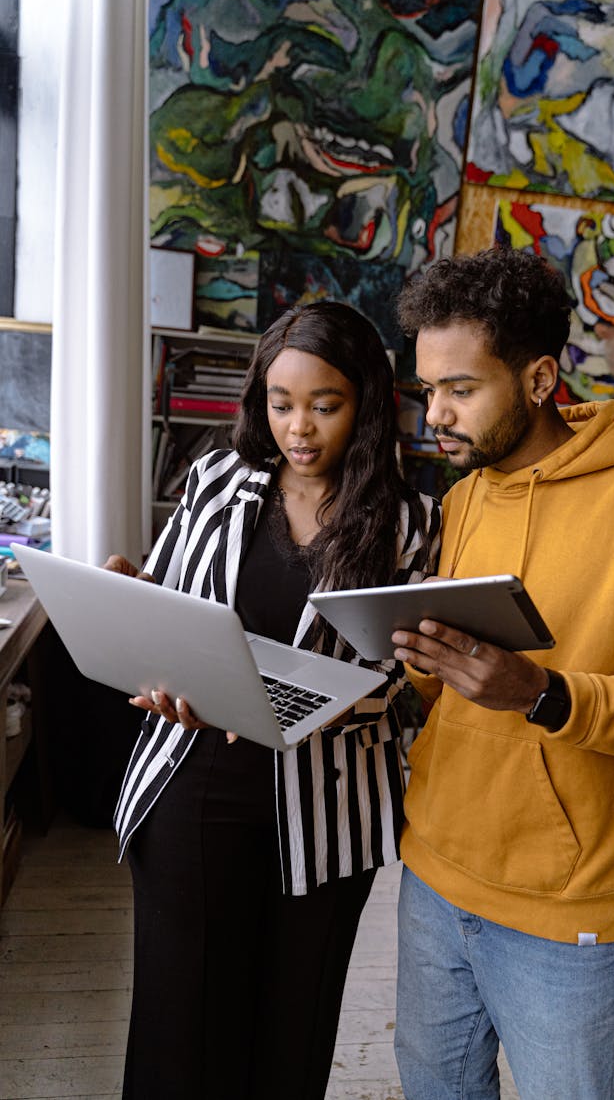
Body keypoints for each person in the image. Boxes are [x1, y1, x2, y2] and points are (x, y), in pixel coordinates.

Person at [388, 246, 614, 1100]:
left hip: (567, 912)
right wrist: (418, 666)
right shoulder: (465, 495)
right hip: (435, 876)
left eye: (461, 389)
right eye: (428, 389)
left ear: (542, 376)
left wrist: (548, 696)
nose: (436, 414)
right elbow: (456, 688)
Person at [106, 300, 441, 1100]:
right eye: (280, 403)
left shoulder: (410, 522)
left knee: (292, 1033)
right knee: (179, 1028)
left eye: (324, 406)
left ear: (364, 402)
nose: (299, 427)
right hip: (193, 790)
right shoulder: (217, 481)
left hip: (329, 809)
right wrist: (138, 614)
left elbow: (410, 679)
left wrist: (314, 699)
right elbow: (177, 606)